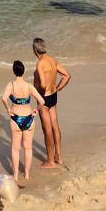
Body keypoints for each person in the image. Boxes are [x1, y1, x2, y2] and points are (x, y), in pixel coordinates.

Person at [2, 60, 45, 183]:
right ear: (24, 71)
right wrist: (36, 110)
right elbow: (42, 101)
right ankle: (26, 173)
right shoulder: (29, 86)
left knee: (15, 149)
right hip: (29, 118)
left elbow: (4, 98)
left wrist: (8, 109)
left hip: (16, 119)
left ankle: (15, 175)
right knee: (28, 148)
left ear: (14, 72)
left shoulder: (11, 85)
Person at [32, 37, 71, 169]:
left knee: (47, 130)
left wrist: (40, 95)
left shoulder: (40, 63)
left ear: (35, 50)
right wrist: (57, 88)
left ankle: (50, 161)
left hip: (45, 98)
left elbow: (42, 84)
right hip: (53, 95)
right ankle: (58, 157)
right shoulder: (52, 60)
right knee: (55, 126)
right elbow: (66, 76)